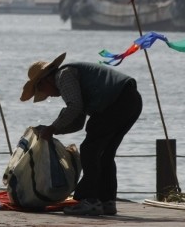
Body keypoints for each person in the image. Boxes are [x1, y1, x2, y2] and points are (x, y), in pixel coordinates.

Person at [20, 52, 142, 216]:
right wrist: (53, 129)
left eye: (41, 89)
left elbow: (74, 108)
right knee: (105, 154)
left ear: (46, 79)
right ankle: (107, 201)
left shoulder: (64, 75)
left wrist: (52, 128)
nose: (47, 94)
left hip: (116, 101)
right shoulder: (73, 79)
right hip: (131, 100)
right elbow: (78, 122)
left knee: (90, 150)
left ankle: (89, 200)